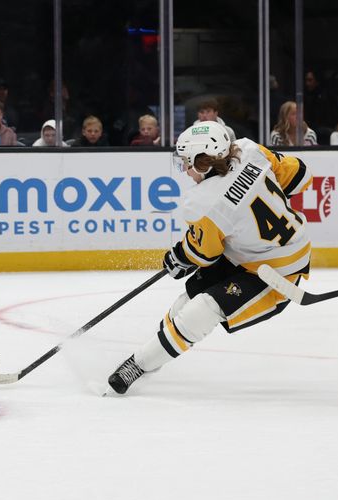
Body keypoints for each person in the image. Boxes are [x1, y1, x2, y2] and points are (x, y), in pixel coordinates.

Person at [107, 121, 312, 394]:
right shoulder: (251, 150)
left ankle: (139, 364)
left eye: (187, 164)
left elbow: (204, 252)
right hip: (257, 255)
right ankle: (155, 353)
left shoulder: (203, 201)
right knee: (188, 300)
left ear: (202, 162)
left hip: (279, 273)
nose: (186, 171)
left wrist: (179, 257)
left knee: (204, 308)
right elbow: (301, 176)